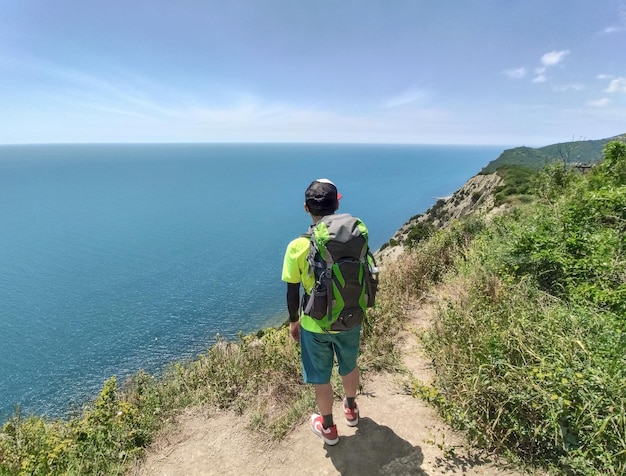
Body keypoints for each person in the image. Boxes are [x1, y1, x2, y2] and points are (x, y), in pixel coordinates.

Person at [281, 178, 363, 446]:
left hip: (314, 325)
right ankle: (351, 409)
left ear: (306, 208)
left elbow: (293, 292)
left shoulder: (297, 247)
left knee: (321, 378)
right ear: (337, 204)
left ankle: (328, 428)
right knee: (349, 365)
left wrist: (294, 323)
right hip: (350, 317)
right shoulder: (352, 237)